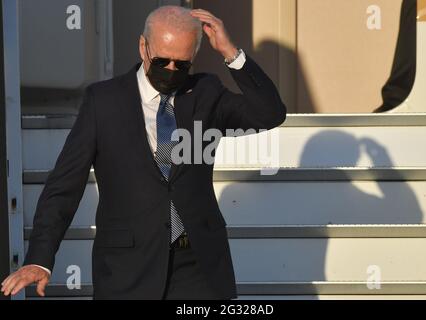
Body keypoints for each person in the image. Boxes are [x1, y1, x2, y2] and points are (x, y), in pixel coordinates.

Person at [1, 6, 286, 299]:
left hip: (199, 269)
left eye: (182, 64)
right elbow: (64, 185)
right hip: (127, 270)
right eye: (163, 60)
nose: (172, 70)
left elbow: (269, 114)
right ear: (143, 47)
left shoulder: (205, 92)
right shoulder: (104, 101)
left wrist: (230, 51)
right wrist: (40, 258)